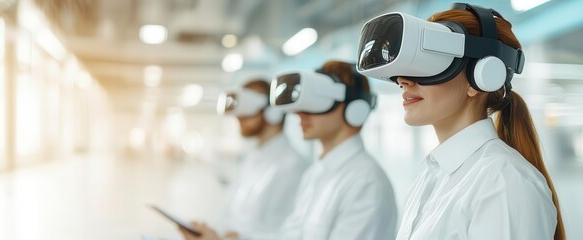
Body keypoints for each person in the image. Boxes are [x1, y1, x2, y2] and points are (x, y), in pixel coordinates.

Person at [357, 2, 564, 240]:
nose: (403, 80)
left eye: (426, 64)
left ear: (481, 76)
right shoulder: (431, 176)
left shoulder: (503, 182)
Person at [180, 61, 398, 240]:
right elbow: (291, 236)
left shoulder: (366, 183)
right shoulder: (316, 173)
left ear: (355, 110)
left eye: (317, 103)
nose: (300, 114)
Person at [212, 79, 309, 238]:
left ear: (273, 112)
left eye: (248, 111)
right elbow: (231, 216)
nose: (240, 118)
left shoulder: (293, 166)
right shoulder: (252, 158)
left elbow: (289, 234)